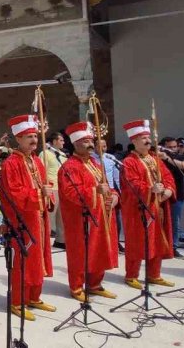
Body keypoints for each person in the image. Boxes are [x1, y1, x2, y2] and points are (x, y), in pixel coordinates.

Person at [1, 114, 55, 321]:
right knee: (23, 261)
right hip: (22, 221)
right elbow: (14, 193)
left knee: (38, 258)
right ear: (18, 139)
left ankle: (34, 297)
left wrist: (46, 193)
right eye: (28, 136)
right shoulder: (11, 163)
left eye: (35, 135)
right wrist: (38, 195)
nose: (34, 140)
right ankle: (17, 301)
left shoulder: (37, 162)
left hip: (38, 218)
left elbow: (44, 188)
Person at [57, 122, 120, 301]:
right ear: (75, 143)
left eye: (91, 140)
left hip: (101, 215)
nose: (90, 144)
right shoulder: (69, 167)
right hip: (81, 219)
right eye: (85, 141)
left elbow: (107, 185)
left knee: (99, 249)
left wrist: (114, 196)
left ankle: (95, 284)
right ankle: (76, 287)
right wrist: (94, 192)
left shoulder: (94, 163)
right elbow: (71, 193)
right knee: (80, 252)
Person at [120, 120, 177, 289]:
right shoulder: (129, 162)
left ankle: (154, 274)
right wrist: (150, 189)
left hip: (158, 207)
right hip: (139, 209)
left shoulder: (155, 159)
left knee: (158, 240)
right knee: (137, 242)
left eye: (148, 137)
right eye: (143, 137)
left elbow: (168, 177)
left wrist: (168, 190)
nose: (147, 140)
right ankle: (131, 275)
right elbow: (131, 183)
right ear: (134, 141)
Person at [160, 136, 184, 258]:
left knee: (174, 222)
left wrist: (168, 158)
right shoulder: (159, 156)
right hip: (162, 193)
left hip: (177, 194)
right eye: (169, 147)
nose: (173, 149)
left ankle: (174, 247)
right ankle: (161, 246)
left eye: (175, 146)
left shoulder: (181, 155)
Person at [93, 138, 125, 254]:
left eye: (105, 146)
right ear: (95, 146)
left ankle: (116, 242)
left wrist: (119, 192)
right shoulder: (91, 159)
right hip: (98, 192)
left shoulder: (110, 159)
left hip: (111, 191)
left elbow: (116, 177)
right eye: (100, 146)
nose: (103, 149)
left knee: (116, 219)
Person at [41, 131, 68, 248]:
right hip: (52, 188)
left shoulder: (62, 155)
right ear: (54, 141)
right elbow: (41, 170)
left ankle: (61, 240)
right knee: (49, 216)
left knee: (62, 216)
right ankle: (45, 240)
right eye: (61, 140)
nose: (63, 142)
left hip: (62, 188)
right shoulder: (45, 153)